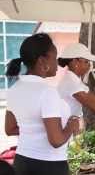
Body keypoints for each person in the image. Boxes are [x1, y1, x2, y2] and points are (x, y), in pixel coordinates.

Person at [5, 33, 79, 175]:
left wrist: (35, 130)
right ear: (42, 61)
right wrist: (71, 126)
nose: (57, 63)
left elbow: (10, 129)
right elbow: (56, 140)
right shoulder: (47, 92)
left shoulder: (14, 89)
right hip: (49, 165)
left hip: (22, 161)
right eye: (54, 58)